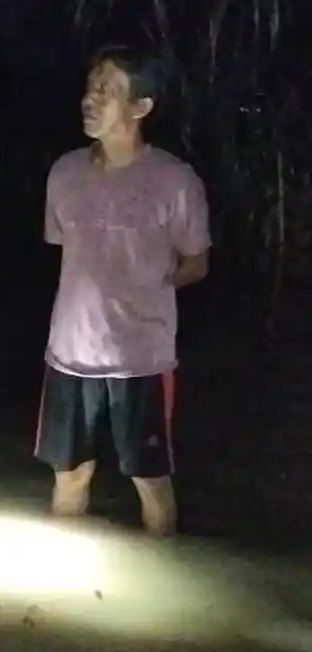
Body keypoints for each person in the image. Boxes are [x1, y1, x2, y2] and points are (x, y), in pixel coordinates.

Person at [35, 45, 210, 536]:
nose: (91, 100)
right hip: (68, 352)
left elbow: (196, 263)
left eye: (107, 90)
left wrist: (150, 284)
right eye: (90, 88)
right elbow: (64, 248)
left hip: (142, 357)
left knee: (150, 479)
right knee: (69, 476)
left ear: (141, 106)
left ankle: (163, 580)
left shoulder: (175, 181)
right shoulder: (65, 173)